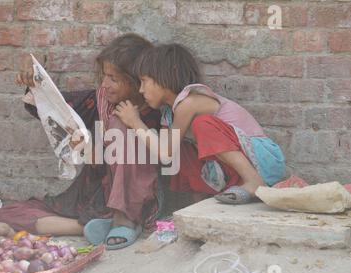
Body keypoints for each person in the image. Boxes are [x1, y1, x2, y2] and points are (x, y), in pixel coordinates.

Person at [0, 34, 163, 250]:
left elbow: (163, 160)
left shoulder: (155, 113)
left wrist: (123, 135)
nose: (105, 85)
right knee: (8, 213)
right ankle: (91, 227)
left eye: (114, 79)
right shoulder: (98, 101)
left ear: (136, 82)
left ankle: (124, 219)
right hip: (94, 196)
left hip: (134, 198)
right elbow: (55, 109)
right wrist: (33, 80)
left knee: (119, 126)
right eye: (104, 76)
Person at [114, 43, 286, 204]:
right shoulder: (168, 113)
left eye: (144, 81)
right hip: (234, 169)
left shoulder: (190, 103)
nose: (140, 90)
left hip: (263, 162)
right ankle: (200, 200)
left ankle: (254, 182)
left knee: (202, 124)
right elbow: (166, 151)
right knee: (181, 148)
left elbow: (164, 153)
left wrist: (135, 122)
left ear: (165, 77)